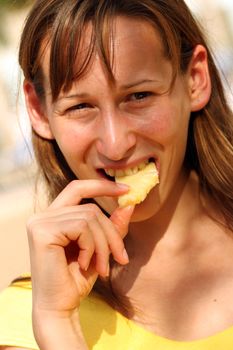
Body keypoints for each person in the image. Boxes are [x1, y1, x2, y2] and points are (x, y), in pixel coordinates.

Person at [0, 0, 233, 349]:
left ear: (196, 80)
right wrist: (57, 324)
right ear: (39, 110)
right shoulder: (24, 320)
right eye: (80, 106)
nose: (115, 144)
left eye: (139, 95)